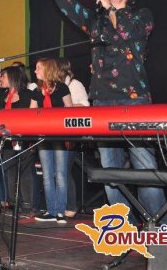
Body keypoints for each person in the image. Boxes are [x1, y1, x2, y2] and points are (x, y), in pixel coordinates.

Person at [31, 0, 166, 224]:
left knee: (145, 167)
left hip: (133, 100)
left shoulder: (142, 16)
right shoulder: (97, 23)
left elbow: (126, 33)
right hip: (102, 101)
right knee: (110, 171)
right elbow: (67, 4)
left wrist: (111, 9)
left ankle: (157, 228)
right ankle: (122, 226)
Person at [31, 58, 73, 223]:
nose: (35, 71)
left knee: (60, 174)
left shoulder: (62, 88)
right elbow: (31, 113)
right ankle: (51, 211)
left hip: (60, 135)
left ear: (48, 69)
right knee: (47, 175)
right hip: (43, 136)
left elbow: (70, 110)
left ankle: (61, 211)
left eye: (38, 68)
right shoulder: (36, 91)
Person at [0, 65, 37, 214]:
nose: (0, 78)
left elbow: (32, 117)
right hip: (7, 139)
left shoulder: (27, 94)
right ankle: (13, 202)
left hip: (24, 138)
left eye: (3, 76)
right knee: (10, 170)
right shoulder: (2, 95)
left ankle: (27, 204)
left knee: (25, 170)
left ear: (12, 77)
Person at [57, 58, 90, 218]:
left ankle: (71, 205)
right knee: (59, 171)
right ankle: (60, 204)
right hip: (59, 131)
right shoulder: (56, 86)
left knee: (64, 170)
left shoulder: (75, 84)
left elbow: (85, 105)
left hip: (72, 132)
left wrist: (65, 105)